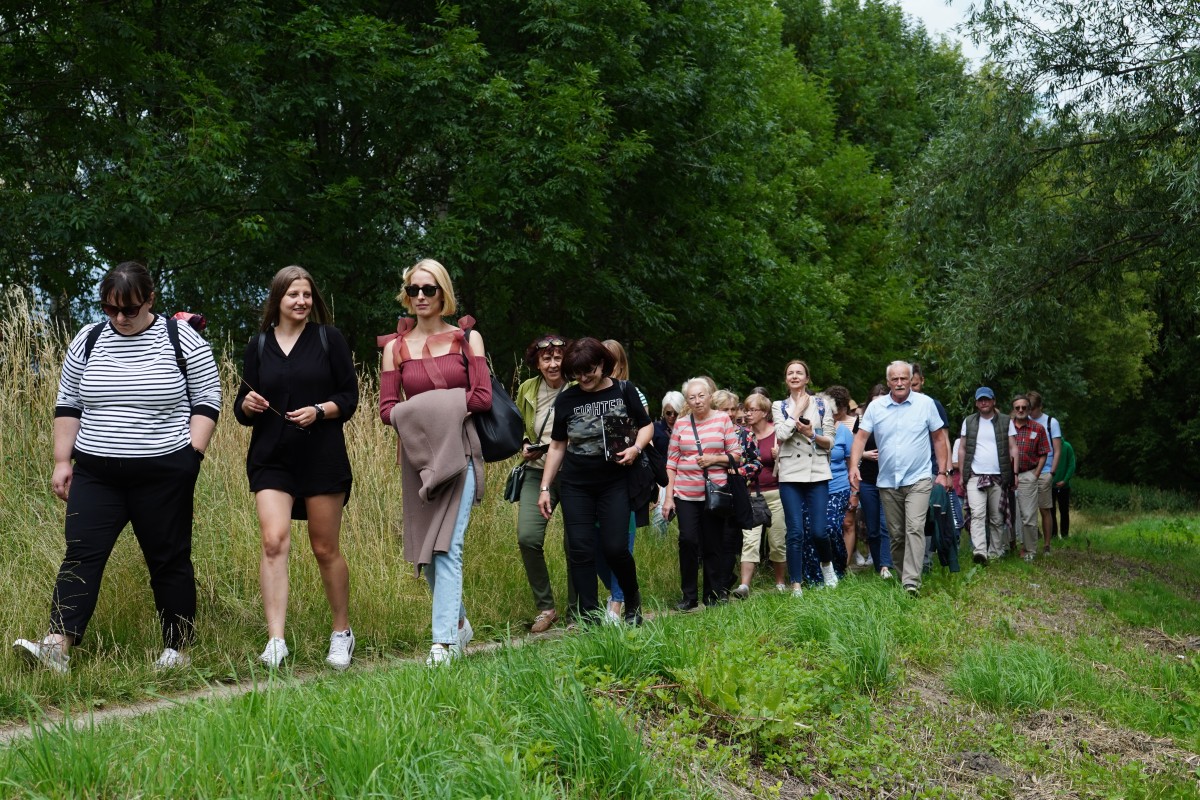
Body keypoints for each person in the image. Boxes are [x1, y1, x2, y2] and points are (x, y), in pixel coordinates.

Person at [14, 261, 221, 673]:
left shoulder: (184, 340)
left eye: (129, 309)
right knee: (81, 554)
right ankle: (58, 645)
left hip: (164, 471)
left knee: (169, 558)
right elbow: (68, 402)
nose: (120, 318)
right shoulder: (88, 339)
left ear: (150, 299)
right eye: (110, 309)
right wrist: (61, 460)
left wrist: (191, 457)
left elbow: (207, 399)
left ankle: (177, 650)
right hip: (96, 471)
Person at [234, 267, 358, 670]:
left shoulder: (328, 339)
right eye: (293, 295)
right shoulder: (259, 344)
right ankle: (276, 641)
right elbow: (242, 406)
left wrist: (320, 411)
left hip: (321, 455)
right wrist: (247, 405)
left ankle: (342, 633)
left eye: (307, 294)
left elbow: (350, 397)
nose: (301, 302)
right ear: (278, 300)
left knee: (324, 548)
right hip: (271, 457)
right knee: (273, 542)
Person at [379, 259, 492, 666]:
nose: (421, 297)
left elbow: (481, 399)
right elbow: (388, 409)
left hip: (460, 451)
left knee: (449, 548)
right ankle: (459, 624)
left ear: (444, 293)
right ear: (406, 296)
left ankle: (441, 644)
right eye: (414, 290)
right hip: (417, 458)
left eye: (429, 289)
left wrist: (422, 407)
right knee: (426, 551)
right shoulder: (395, 348)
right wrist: (437, 408)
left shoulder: (467, 340)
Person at [537, 337, 652, 625]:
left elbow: (646, 425)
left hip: (615, 481)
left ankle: (631, 600)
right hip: (577, 485)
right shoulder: (567, 399)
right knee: (581, 548)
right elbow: (558, 445)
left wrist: (636, 449)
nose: (583, 378)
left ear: (602, 364)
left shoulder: (625, 391)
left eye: (588, 371)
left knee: (615, 547)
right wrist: (545, 487)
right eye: (576, 373)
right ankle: (589, 617)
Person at [849, 361, 950, 597]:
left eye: (904, 378)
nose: (900, 383)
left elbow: (939, 439)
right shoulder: (876, 408)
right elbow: (860, 438)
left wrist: (943, 473)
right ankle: (903, 572)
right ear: (888, 383)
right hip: (887, 481)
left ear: (911, 378)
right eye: (895, 379)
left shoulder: (925, 404)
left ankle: (911, 582)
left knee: (914, 527)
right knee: (896, 534)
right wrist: (854, 466)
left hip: (919, 478)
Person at [662, 378, 742, 609]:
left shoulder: (723, 419)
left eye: (701, 396)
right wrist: (669, 497)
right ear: (687, 401)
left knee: (713, 544)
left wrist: (713, 459)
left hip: (714, 493)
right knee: (687, 540)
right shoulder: (681, 424)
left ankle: (712, 594)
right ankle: (689, 596)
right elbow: (672, 462)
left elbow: (736, 455)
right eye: (692, 397)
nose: (697, 401)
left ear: (709, 396)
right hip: (685, 494)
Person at [514, 333, 572, 633]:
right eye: (546, 358)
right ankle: (546, 608)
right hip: (536, 471)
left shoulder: (577, 386)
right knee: (527, 536)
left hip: (573, 471)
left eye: (558, 357)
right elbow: (519, 426)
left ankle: (579, 607)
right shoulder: (527, 389)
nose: (553, 363)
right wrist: (524, 443)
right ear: (537, 363)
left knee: (576, 540)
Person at [772, 360, 839, 595]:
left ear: (807, 378)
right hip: (790, 473)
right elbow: (781, 433)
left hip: (817, 472)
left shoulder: (822, 404)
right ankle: (796, 584)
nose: (794, 376)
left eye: (799, 372)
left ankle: (827, 567)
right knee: (795, 532)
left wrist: (813, 435)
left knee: (820, 531)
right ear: (786, 379)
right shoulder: (778, 405)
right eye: (790, 373)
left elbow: (830, 441)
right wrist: (797, 411)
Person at [595, 339, 648, 622]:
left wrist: (633, 448)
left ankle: (617, 603)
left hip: (625, 478)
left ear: (619, 364)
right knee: (594, 544)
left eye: (607, 361)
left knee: (621, 544)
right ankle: (617, 591)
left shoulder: (632, 393)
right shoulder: (583, 394)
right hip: (591, 482)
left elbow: (645, 427)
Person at [736, 391, 788, 592]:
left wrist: (779, 457)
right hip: (750, 494)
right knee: (750, 540)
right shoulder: (742, 435)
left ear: (765, 412)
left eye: (752, 410)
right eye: (746, 410)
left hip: (776, 493)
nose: (747, 414)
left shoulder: (778, 433)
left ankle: (780, 582)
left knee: (777, 540)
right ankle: (744, 585)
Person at [712, 389, 760, 598]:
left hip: (734, 494)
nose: (730, 413)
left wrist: (739, 471)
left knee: (729, 540)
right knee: (710, 540)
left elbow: (756, 462)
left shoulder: (745, 434)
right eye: (725, 409)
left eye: (733, 409)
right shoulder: (707, 432)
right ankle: (714, 582)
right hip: (709, 492)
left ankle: (721, 587)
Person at [958, 386, 1012, 564]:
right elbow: (963, 448)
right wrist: (962, 475)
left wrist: (1015, 473)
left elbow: (1013, 448)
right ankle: (980, 551)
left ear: (993, 401)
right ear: (976, 403)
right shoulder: (969, 421)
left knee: (997, 517)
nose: (984, 402)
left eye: (987, 399)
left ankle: (995, 552)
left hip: (998, 476)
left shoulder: (1005, 421)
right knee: (978, 514)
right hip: (975, 475)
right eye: (980, 400)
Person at [856, 385, 894, 580]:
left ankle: (886, 566)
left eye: (883, 397)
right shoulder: (862, 421)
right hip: (867, 480)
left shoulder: (893, 419)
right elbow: (853, 448)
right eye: (875, 398)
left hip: (888, 480)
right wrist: (864, 454)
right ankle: (879, 564)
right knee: (872, 528)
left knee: (885, 525)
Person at [1007, 394, 1048, 562]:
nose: (1021, 410)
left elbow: (1044, 453)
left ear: (1029, 409)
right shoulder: (1006, 427)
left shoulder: (1038, 428)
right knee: (1006, 514)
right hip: (1007, 476)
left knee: (1028, 515)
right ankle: (1008, 547)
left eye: (1024, 407)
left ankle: (1030, 550)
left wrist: (1036, 474)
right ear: (1013, 409)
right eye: (1017, 408)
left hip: (1027, 474)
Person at [823, 385, 856, 578]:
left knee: (833, 527)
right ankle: (824, 567)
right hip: (814, 487)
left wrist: (854, 493)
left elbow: (852, 465)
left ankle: (840, 566)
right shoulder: (813, 429)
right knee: (817, 529)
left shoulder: (844, 432)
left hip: (839, 486)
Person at [1027, 391, 1062, 552]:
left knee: (1045, 508)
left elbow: (1057, 450)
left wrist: (1052, 474)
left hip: (1045, 470)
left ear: (1040, 407)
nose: (1029, 411)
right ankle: (1029, 543)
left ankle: (1047, 544)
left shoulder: (1050, 422)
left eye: (1032, 408)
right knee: (1027, 510)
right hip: (1027, 470)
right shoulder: (1023, 421)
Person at [650, 391, 685, 535]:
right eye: (668, 413)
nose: (672, 417)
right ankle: (657, 548)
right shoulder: (655, 428)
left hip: (684, 475)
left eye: (675, 413)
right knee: (660, 515)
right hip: (663, 477)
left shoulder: (687, 428)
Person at [1052, 439, 1076, 538]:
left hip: (1064, 486)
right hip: (1050, 486)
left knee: (1064, 511)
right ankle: (1053, 535)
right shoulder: (1049, 446)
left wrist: (1065, 480)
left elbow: (1071, 465)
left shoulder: (1067, 446)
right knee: (1050, 511)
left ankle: (1065, 534)